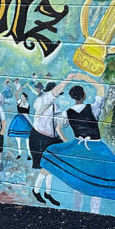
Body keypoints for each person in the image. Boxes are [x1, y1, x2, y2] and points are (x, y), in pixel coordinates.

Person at [40, 74, 115, 214]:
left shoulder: (67, 112)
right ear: (84, 95)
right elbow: (100, 88)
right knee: (98, 181)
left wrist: (69, 143)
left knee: (79, 177)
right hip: (96, 148)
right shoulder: (93, 108)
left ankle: (77, 210)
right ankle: (94, 213)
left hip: (78, 147)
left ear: (72, 97)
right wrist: (83, 77)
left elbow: (58, 129)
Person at [30, 75, 75, 205]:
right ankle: (36, 191)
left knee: (51, 167)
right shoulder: (43, 100)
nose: (57, 95)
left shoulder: (55, 105)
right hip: (40, 137)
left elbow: (57, 123)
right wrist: (68, 79)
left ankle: (48, 193)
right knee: (46, 167)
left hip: (50, 138)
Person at [6, 90, 34, 159]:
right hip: (18, 122)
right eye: (21, 97)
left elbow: (27, 115)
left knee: (27, 139)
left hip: (25, 122)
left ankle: (29, 154)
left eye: (23, 97)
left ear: (26, 98)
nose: (22, 98)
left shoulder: (27, 104)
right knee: (18, 139)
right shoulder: (19, 102)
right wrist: (21, 88)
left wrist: (31, 125)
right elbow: (16, 95)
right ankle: (19, 153)